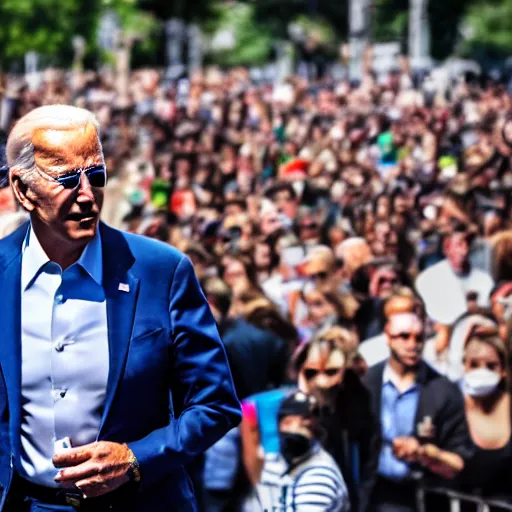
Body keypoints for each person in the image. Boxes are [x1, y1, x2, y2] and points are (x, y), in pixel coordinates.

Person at [0, 105, 241, 511]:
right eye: (65, 179)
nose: (86, 195)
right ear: (23, 190)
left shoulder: (161, 271)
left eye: (96, 176)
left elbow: (215, 404)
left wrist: (134, 458)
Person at [364, 294, 473, 512]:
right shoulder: (368, 384)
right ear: (387, 337)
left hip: (421, 497)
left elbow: (460, 462)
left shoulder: (443, 390)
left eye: (419, 337)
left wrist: (424, 453)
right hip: (371, 495)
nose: (412, 345)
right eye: (403, 336)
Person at [293, 328, 380, 512]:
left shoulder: (358, 402)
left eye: (331, 371)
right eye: (312, 372)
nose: (321, 380)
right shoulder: (293, 406)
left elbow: (368, 462)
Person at [244, 390, 350, 512]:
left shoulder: (320, 472)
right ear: (280, 425)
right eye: (288, 422)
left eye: (307, 422)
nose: (303, 424)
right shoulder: (272, 463)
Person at [459, 327, 512, 501]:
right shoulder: (451, 406)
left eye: (491, 366)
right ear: (464, 366)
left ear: (503, 370)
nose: (482, 372)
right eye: (474, 364)